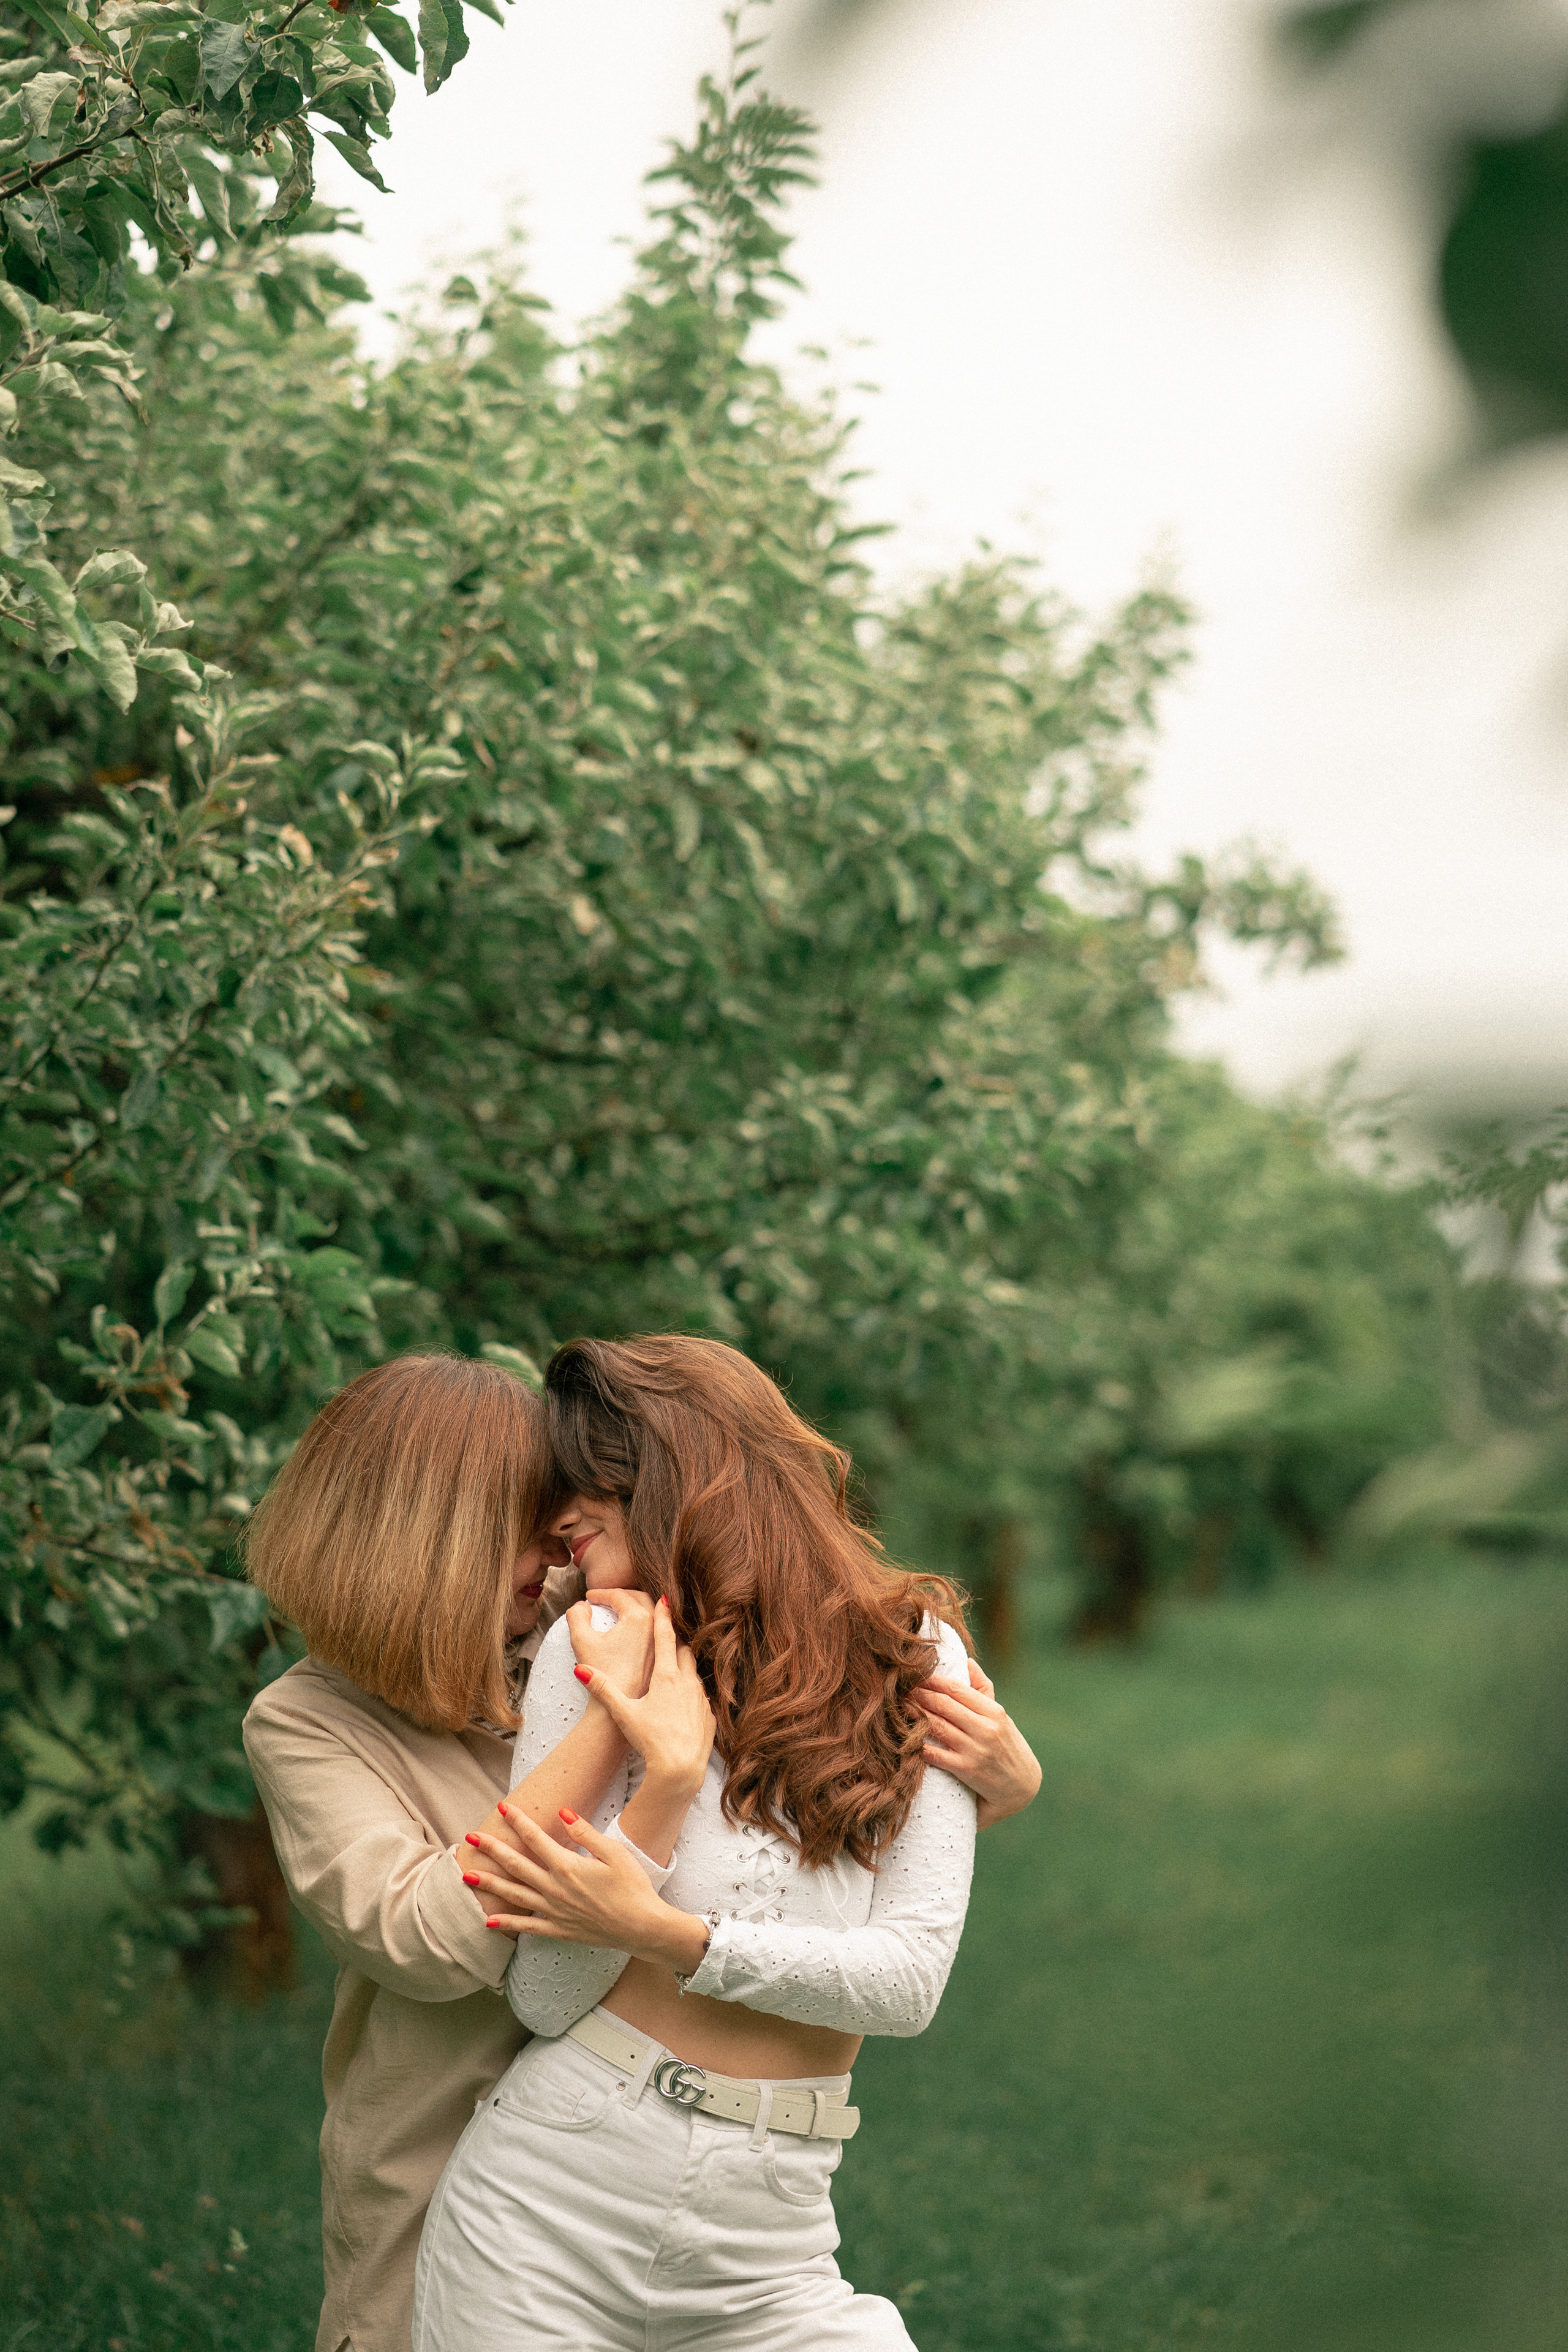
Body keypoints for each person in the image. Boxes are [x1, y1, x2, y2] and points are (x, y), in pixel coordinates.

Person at [415, 1335, 1042, 2352]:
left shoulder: (915, 1655)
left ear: (680, 1466)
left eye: (586, 1476)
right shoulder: (590, 1656)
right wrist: (656, 1786)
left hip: (774, 2252)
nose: (556, 1513)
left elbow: (907, 1984)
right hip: (544, 2217)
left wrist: (669, 1936)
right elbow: (545, 1995)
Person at [241, 1352, 657, 2352]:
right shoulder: (308, 1723)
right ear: (419, 1538)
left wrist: (996, 1783)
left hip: (634, 2192)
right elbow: (428, 1940)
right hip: (437, 2186)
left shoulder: (572, 1631)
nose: (557, 1549)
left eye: (560, 1516)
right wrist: (609, 1723)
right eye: (522, 1520)